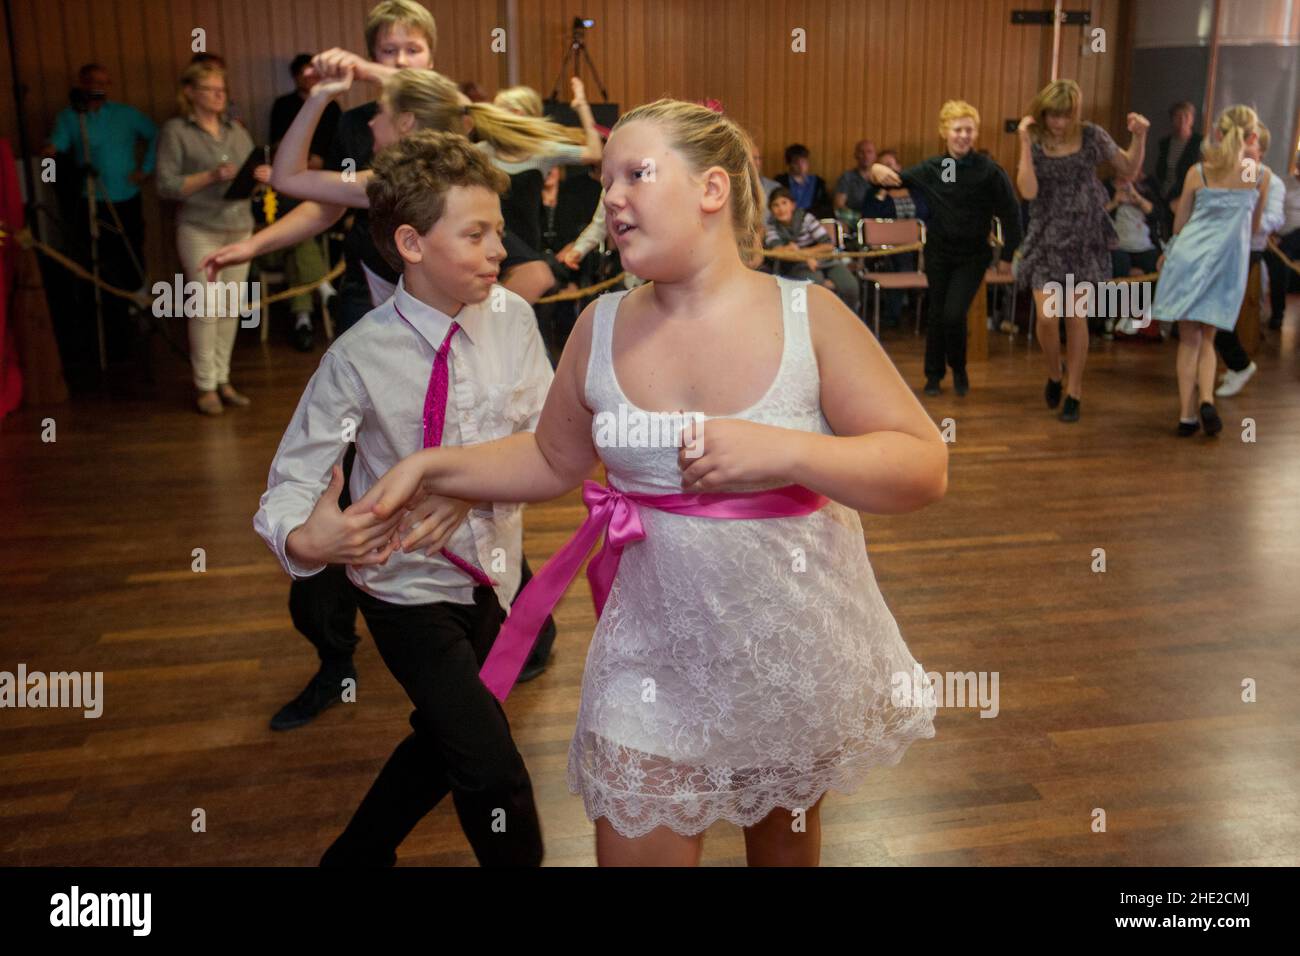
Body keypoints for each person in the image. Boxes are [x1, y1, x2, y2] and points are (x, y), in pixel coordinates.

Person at [353, 98, 944, 867]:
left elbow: (923, 465)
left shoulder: (811, 317)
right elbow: (551, 459)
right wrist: (433, 466)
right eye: (606, 182)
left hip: (786, 650)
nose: (614, 199)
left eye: (636, 173)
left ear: (713, 189)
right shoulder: (599, 327)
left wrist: (788, 452)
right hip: (650, 659)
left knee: (783, 855)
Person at [254, 131, 551, 866]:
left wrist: (460, 478)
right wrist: (306, 541)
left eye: (497, 233)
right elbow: (293, 477)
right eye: (476, 234)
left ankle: (354, 857)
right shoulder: (359, 354)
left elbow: (545, 432)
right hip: (404, 585)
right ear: (412, 242)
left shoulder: (512, 318)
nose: (497, 251)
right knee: (490, 768)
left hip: (496, 577)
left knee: (447, 736)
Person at [1014, 79, 1149, 422]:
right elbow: (1028, 191)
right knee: (1047, 317)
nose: (1057, 123)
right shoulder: (1037, 139)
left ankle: (1074, 391)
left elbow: (1129, 168)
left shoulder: (1091, 136)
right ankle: (1054, 372)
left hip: (1085, 235)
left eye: (1064, 116)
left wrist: (1140, 135)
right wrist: (1024, 144)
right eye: (1051, 115)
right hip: (1046, 233)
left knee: (1076, 317)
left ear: (1074, 114)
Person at [869, 100, 1022, 396]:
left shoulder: (988, 170)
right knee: (937, 314)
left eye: (969, 129)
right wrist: (877, 169)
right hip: (938, 252)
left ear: (975, 133)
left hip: (973, 255)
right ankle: (933, 376)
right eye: (957, 129)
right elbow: (894, 181)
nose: (963, 135)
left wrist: (1007, 254)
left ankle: (959, 368)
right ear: (945, 132)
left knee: (954, 314)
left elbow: (1011, 212)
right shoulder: (934, 168)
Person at [1151, 105, 1270, 437]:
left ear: (1217, 134)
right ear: (1252, 136)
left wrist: (1169, 255)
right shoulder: (1260, 176)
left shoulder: (1198, 172)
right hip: (1226, 264)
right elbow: (1256, 226)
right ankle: (1206, 398)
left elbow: (1179, 225)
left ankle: (1187, 415)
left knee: (1188, 340)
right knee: (1209, 338)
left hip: (1190, 259)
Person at [155, 60, 255, 415]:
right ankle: (205, 385)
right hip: (200, 228)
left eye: (222, 90)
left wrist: (260, 175)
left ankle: (223, 378)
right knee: (205, 308)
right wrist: (209, 176)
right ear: (190, 93)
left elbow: (251, 170)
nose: (219, 96)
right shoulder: (176, 131)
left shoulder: (236, 130)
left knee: (231, 308)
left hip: (240, 227)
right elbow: (166, 185)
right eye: (211, 89)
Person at [43, 63, 157, 369]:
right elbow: (55, 149)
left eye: (104, 82)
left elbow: (156, 136)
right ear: (82, 83)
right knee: (99, 257)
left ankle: (137, 305)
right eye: (93, 82)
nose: (99, 87)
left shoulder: (126, 114)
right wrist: (52, 163)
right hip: (90, 198)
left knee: (131, 248)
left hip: (125, 195)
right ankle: (107, 313)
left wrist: (145, 170)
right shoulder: (71, 117)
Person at [267, 53, 343, 352]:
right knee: (298, 230)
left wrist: (321, 160)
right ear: (295, 77)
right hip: (290, 184)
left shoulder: (332, 106)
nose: (308, 78)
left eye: (312, 73)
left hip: (323, 180)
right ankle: (322, 287)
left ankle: (302, 319)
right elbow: (275, 142)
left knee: (298, 233)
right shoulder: (283, 105)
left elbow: (339, 147)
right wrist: (296, 162)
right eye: (303, 73)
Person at [1214, 123, 1284, 398]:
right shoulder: (1231, 175)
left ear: (1261, 151)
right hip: (1222, 246)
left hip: (1247, 250)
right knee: (1211, 311)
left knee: (1219, 312)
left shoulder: (1272, 181)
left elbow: (1276, 217)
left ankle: (1239, 364)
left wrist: (1247, 223)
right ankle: (1230, 365)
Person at [764, 187, 859, 312]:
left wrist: (801, 253)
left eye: (784, 203)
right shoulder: (771, 227)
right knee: (814, 285)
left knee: (850, 285)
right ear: (771, 210)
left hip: (825, 261)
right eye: (775, 205)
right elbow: (779, 252)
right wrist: (804, 258)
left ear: (792, 205)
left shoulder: (806, 218)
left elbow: (827, 245)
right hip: (795, 266)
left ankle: (850, 319)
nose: (781, 209)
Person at [1153, 101, 1203, 240]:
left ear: (1192, 119)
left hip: (1186, 196)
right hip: (1165, 194)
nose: (1182, 120)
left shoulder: (1200, 143)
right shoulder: (1165, 143)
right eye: (1178, 116)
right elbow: (1161, 171)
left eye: (1186, 116)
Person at [1263, 152, 1300, 330]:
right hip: (1284, 237)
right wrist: (1273, 233)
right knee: (1279, 264)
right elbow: (1273, 212)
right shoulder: (1283, 184)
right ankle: (1278, 313)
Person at [775, 143, 831, 219]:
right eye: (796, 162)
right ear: (789, 164)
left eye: (803, 161)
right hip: (787, 219)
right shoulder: (780, 182)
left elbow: (825, 206)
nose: (801, 165)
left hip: (813, 219)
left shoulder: (818, 183)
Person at [832, 138, 877, 216]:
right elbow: (839, 205)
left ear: (875, 156)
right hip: (855, 221)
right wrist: (858, 219)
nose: (866, 156)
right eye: (861, 152)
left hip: (880, 221)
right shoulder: (847, 177)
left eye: (869, 152)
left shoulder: (882, 179)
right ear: (856, 155)